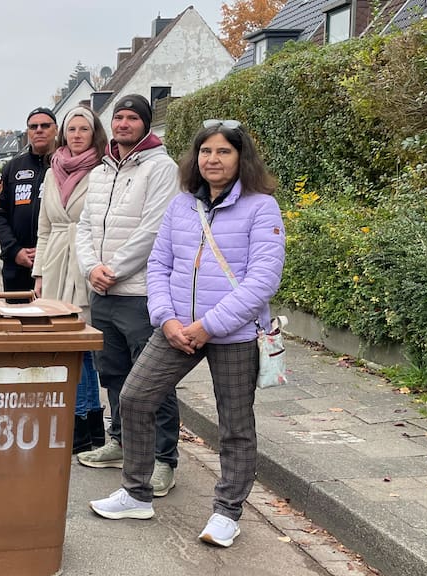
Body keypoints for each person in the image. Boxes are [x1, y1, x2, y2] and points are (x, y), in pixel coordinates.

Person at [88, 119, 285, 549]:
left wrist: (207, 326)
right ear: (194, 158)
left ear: (241, 158)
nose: (213, 160)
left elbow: (262, 281)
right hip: (176, 327)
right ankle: (137, 493)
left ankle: (226, 512)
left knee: (234, 424)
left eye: (224, 152)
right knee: (135, 397)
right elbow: (159, 265)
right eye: (206, 152)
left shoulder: (261, 207)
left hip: (231, 333)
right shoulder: (181, 205)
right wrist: (167, 319)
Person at [74, 94, 182, 498]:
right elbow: (84, 226)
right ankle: (120, 442)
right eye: (118, 117)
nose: (123, 124)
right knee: (114, 373)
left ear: (146, 124)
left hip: (139, 293)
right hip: (103, 292)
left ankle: (163, 459)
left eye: (132, 118)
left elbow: (154, 230)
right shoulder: (102, 169)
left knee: (153, 380)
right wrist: (91, 269)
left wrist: (113, 270)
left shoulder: (161, 168)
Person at [31, 105, 107, 453]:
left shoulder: (103, 171)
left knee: (78, 348)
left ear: (94, 134)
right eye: (72, 129)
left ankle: (82, 421)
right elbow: (44, 229)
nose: (77, 135)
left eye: (84, 129)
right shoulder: (52, 171)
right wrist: (39, 275)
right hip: (56, 263)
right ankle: (89, 422)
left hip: (83, 263)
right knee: (68, 347)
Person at [0, 107, 57, 295]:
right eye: (33, 127)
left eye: (45, 125)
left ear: (56, 130)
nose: (39, 130)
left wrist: (46, 251)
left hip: (55, 264)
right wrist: (14, 250)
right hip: (16, 266)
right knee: (17, 322)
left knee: (51, 322)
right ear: (28, 132)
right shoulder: (13, 168)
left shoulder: (66, 165)